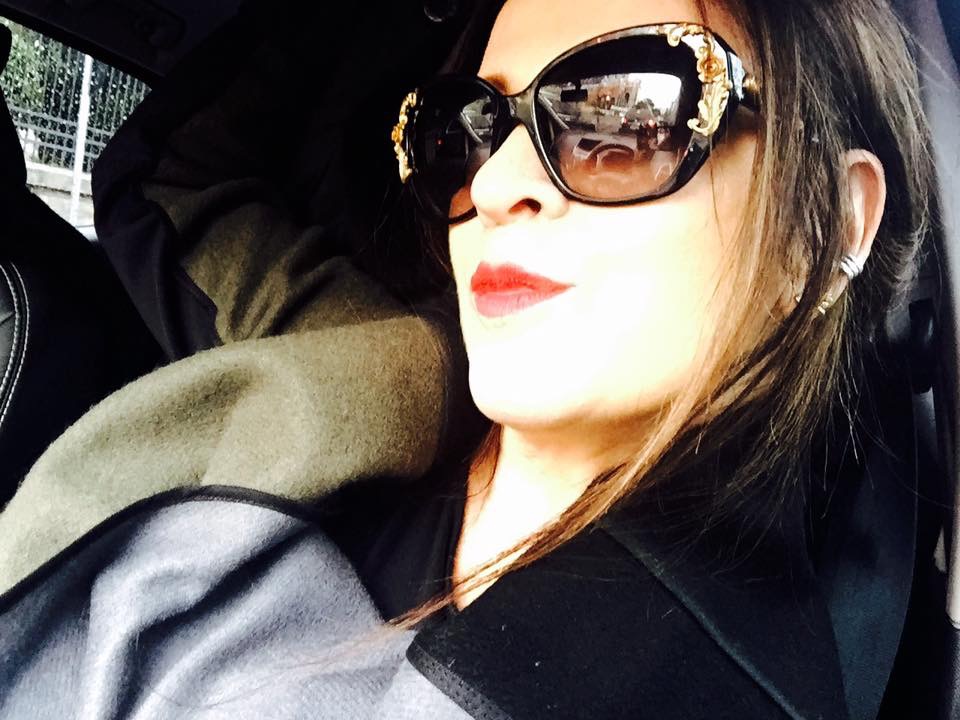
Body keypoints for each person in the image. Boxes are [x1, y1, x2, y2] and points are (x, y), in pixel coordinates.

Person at [0, 0, 935, 717]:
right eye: (467, 126)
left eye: (619, 113)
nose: (494, 183)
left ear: (824, 228)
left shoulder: (707, 683)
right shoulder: (380, 365)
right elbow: (171, 179)